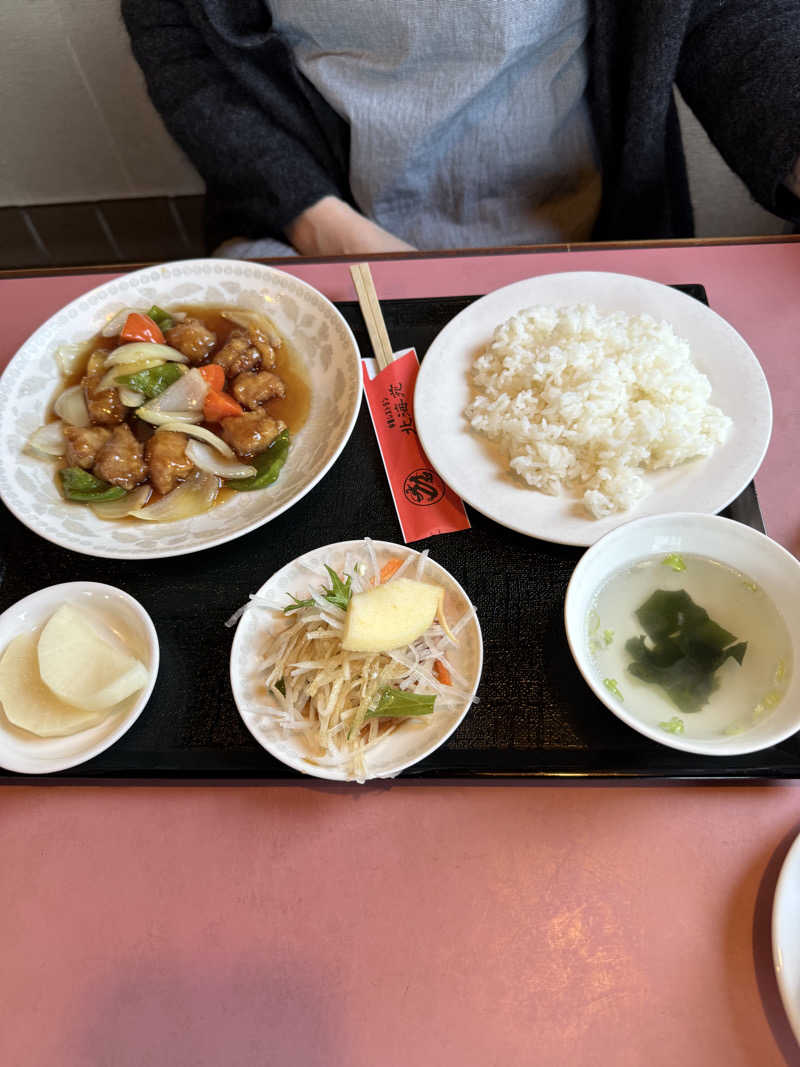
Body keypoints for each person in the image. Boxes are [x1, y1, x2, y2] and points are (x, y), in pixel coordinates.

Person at [121, 0, 800, 258]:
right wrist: (323, 229)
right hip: (321, 233)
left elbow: (732, 12)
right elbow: (182, 43)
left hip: (592, 237)